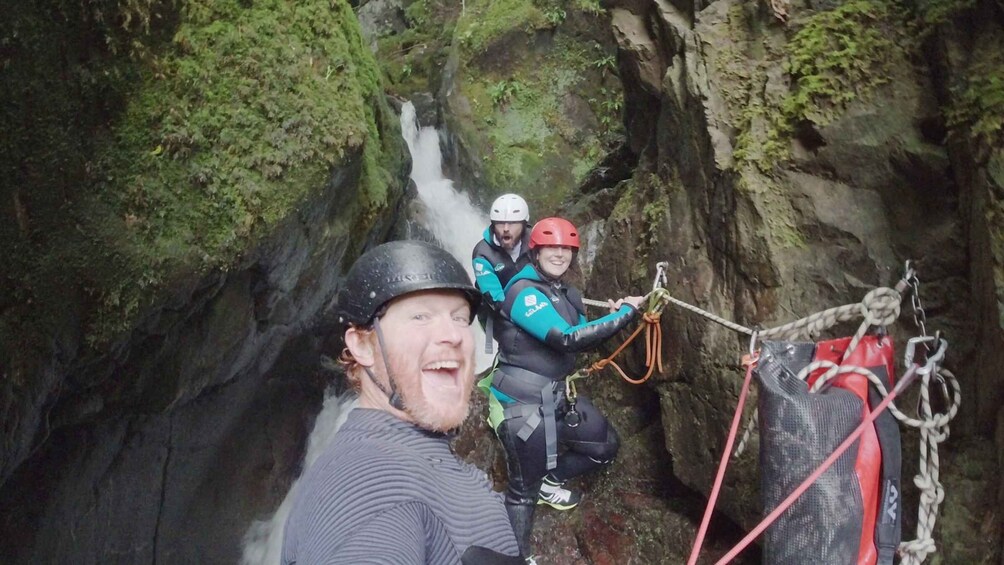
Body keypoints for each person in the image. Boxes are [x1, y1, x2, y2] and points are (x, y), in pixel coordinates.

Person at [281, 240, 523, 565]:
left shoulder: (404, 452)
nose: (452, 334)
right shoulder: (367, 485)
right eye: (420, 316)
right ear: (363, 347)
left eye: (460, 318)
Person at [485, 217, 645, 561]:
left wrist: (612, 315)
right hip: (522, 401)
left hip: (557, 395)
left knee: (605, 445)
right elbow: (566, 338)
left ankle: (550, 479)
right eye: (552, 247)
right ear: (536, 250)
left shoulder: (567, 293)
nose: (559, 254)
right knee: (521, 492)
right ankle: (517, 557)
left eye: (566, 249)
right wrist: (627, 314)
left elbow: (584, 328)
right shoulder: (523, 291)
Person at [472, 194, 532, 349]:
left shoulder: (536, 243)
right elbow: (496, 299)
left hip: (534, 300)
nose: (506, 228)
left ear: (524, 224)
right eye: (500, 223)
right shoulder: (483, 253)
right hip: (496, 313)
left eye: (512, 223)